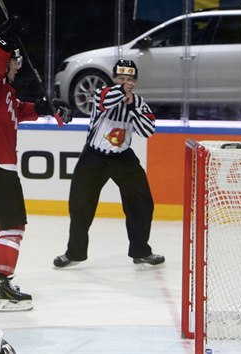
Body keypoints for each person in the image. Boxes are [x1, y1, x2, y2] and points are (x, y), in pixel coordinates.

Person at [0, 16, 71, 312]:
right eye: (14, 61)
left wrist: (44, 107)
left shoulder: (1, 93)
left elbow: (19, 109)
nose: (17, 66)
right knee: (13, 227)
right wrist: (2, 44)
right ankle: (3, 289)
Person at [53, 59, 165, 269]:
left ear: (136, 83)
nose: (126, 83)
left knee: (142, 204)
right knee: (80, 206)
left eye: (130, 79)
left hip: (123, 157)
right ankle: (74, 253)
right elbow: (106, 99)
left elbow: (147, 130)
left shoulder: (139, 103)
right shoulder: (103, 93)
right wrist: (122, 91)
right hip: (94, 157)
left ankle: (141, 251)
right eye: (121, 79)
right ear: (114, 80)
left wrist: (132, 106)